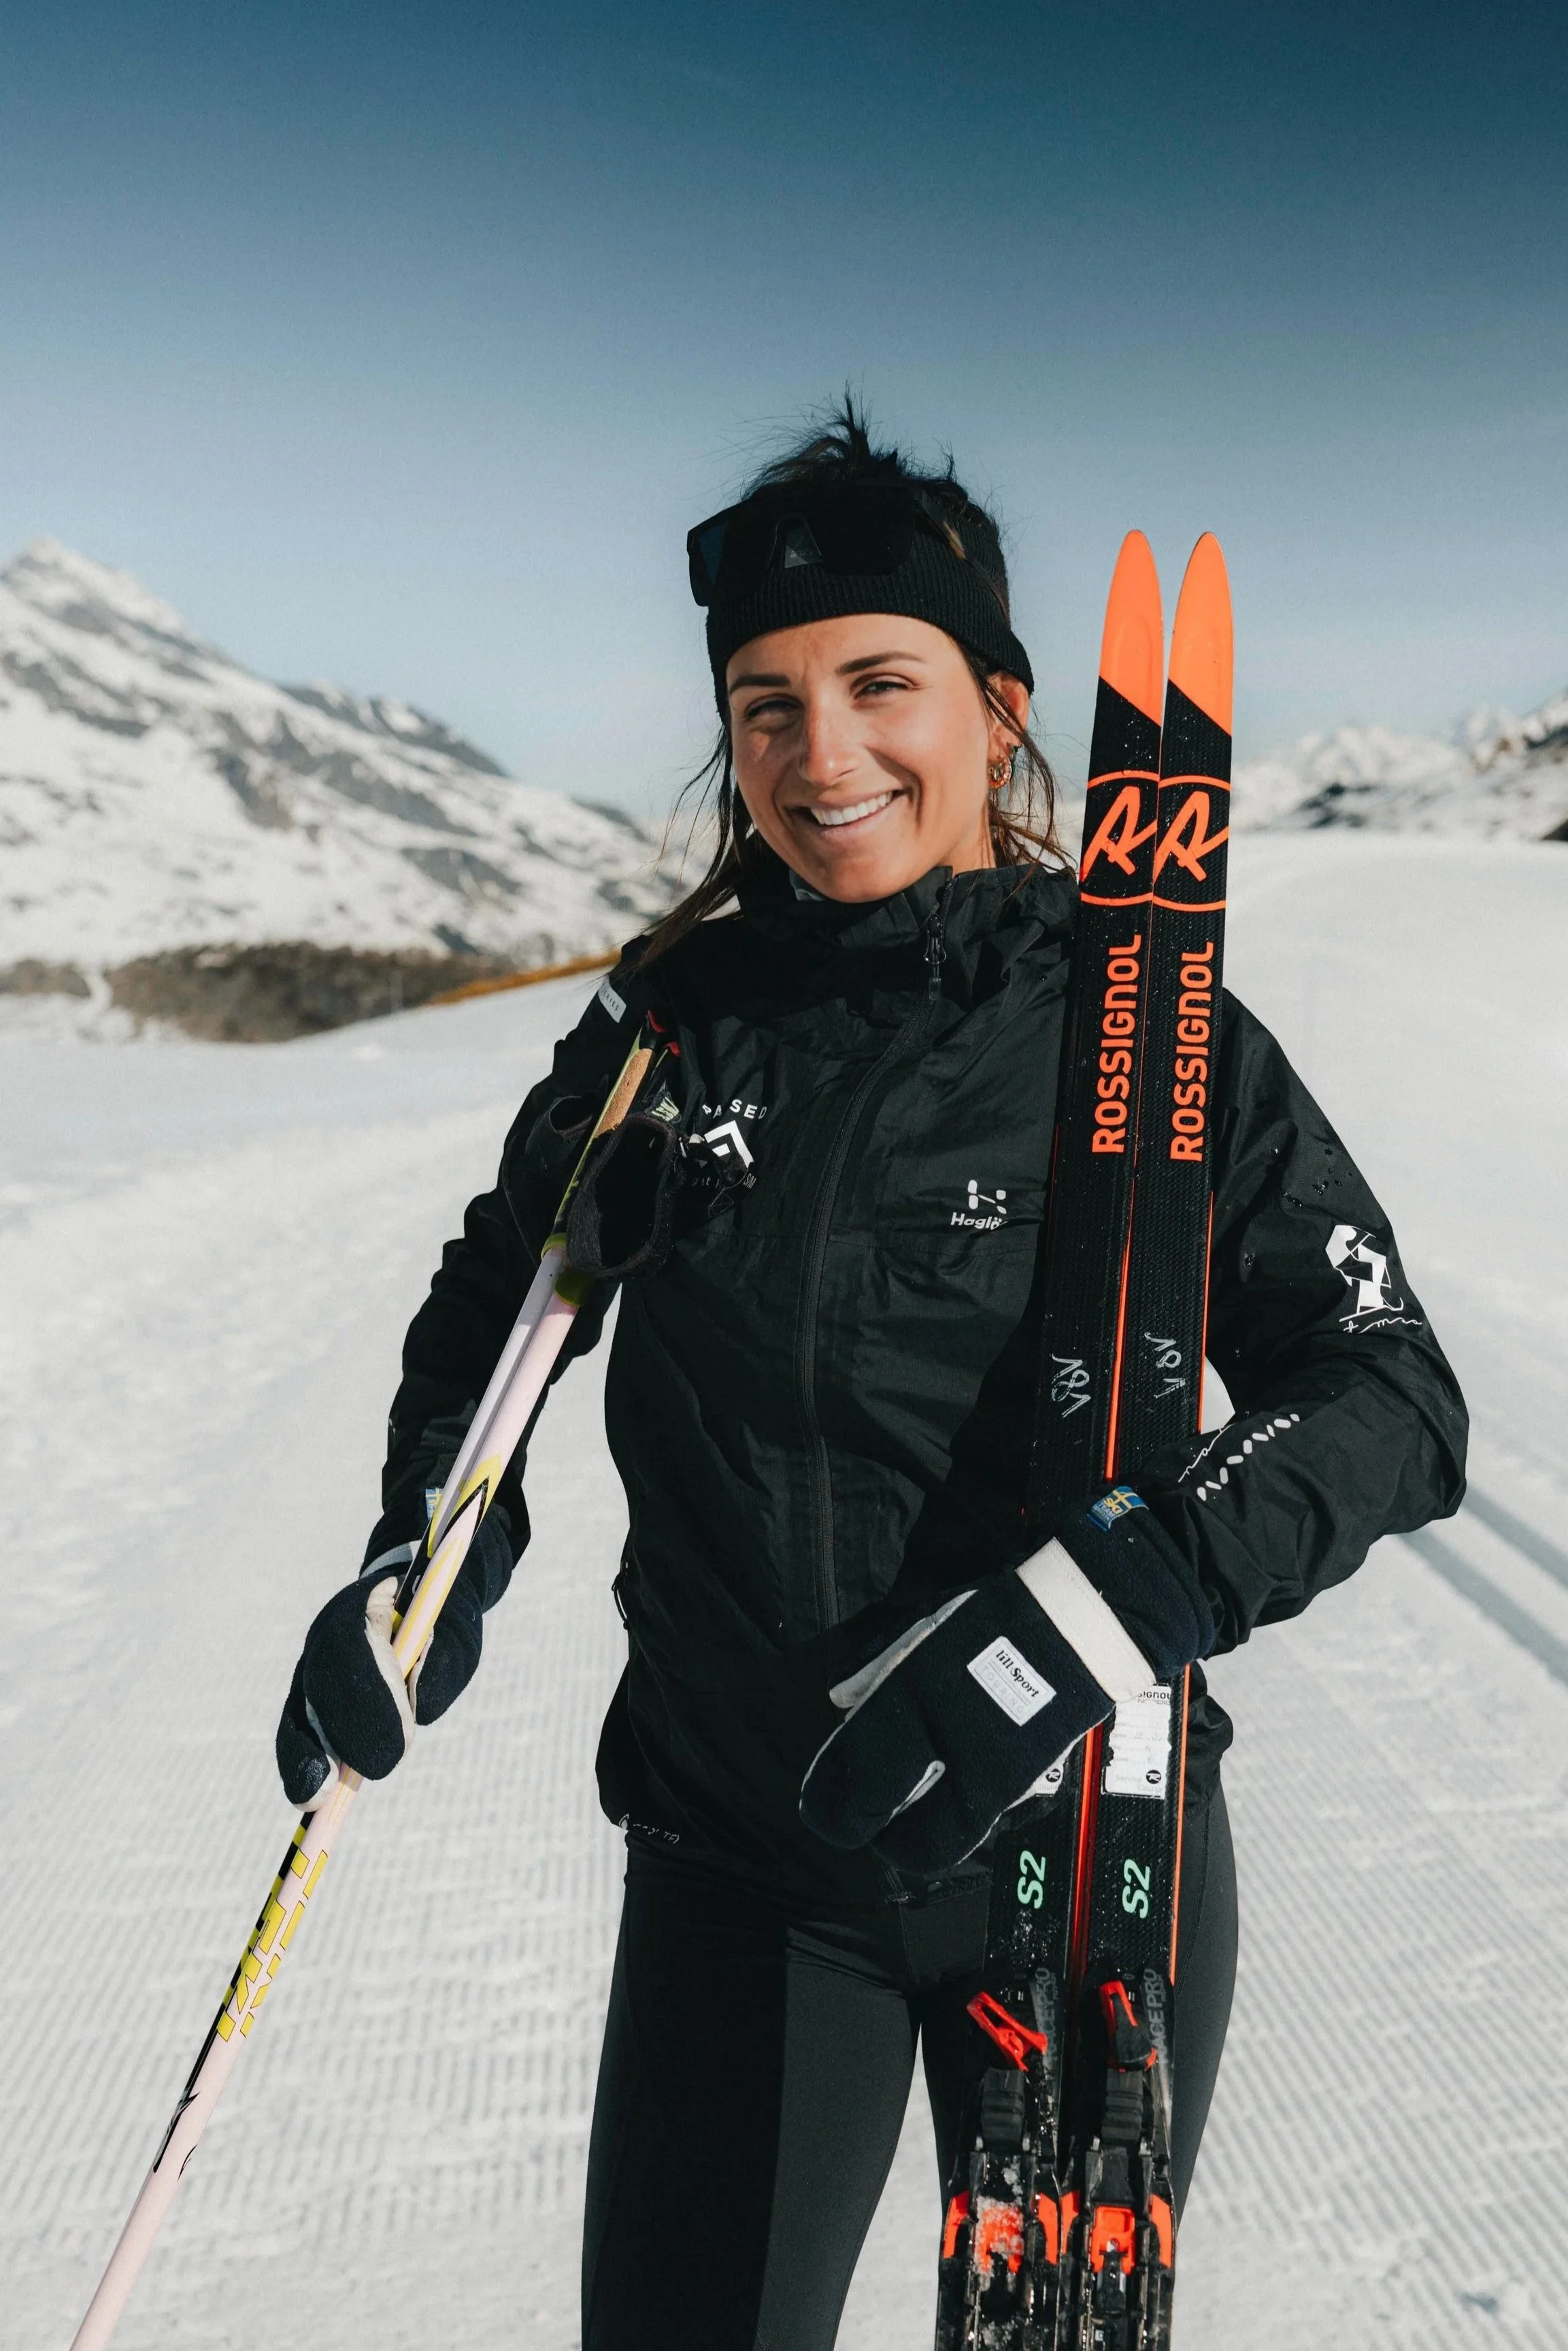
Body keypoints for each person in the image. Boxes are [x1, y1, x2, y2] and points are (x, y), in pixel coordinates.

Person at [274, 402, 1468, 2351]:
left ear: (999, 711)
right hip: (745, 1864)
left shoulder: (1138, 1019)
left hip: (1082, 1860)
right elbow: (498, 1307)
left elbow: (1393, 1393)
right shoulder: (665, 1039)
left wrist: (1153, 1571)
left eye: (879, 684)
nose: (822, 758)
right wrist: (424, 1549)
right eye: (766, 704)